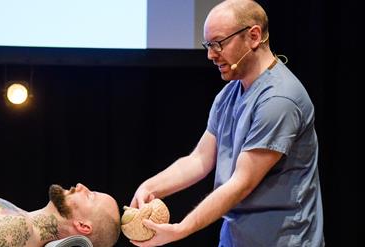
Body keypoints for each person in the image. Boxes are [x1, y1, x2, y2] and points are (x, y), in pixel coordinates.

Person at [129, 0, 324, 246]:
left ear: (253, 36)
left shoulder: (279, 99)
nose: (211, 54)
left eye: (218, 43)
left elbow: (241, 184)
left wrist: (180, 229)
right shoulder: (231, 92)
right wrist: (151, 187)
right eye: (208, 45)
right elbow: (200, 159)